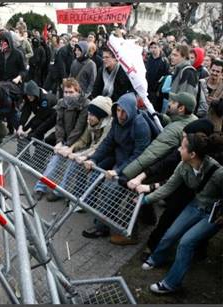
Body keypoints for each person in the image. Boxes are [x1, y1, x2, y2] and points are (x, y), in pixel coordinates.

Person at [140, 133, 223, 294]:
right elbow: (168, 187)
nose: (179, 149)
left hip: (213, 214)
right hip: (195, 205)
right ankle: (157, 258)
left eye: (182, 147)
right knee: (171, 233)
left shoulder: (218, 172)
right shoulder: (183, 165)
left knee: (186, 243)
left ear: (192, 154)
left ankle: (172, 283)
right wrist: (146, 200)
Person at [82, 92, 151, 240]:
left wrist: (118, 171)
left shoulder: (140, 126)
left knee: (110, 189)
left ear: (131, 110)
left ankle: (101, 227)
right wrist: (94, 159)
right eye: (118, 110)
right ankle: (98, 216)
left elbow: (139, 156)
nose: (120, 115)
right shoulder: (116, 122)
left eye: (124, 111)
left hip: (134, 165)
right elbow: (108, 142)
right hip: (119, 159)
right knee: (95, 178)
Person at [45, 96, 113, 202]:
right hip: (93, 151)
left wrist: (82, 155)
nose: (89, 117)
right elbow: (83, 140)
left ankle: (82, 199)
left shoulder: (109, 127)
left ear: (101, 117)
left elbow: (99, 146)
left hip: (105, 154)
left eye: (92, 115)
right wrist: (71, 149)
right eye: (89, 113)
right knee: (73, 162)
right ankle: (67, 192)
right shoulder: (92, 122)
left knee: (80, 164)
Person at [34, 78, 89, 200]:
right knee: (53, 164)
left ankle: (59, 192)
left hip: (79, 142)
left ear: (77, 91)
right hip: (64, 140)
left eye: (71, 92)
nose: (68, 95)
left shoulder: (85, 104)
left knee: (70, 169)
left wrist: (68, 145)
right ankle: (40, 187)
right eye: (66, 92)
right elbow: (59, 124)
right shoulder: (61, 103)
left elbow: (79, 127)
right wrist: (59, 141)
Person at [145, 41, 170, 111]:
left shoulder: (164, 61)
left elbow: (166, 76)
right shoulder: (148, 59)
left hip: (157, 91)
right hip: (148, 88)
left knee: (155, 109)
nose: (153, 49)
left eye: (155, 47)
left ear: (159, 48)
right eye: (151, 47)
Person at [205, 60, 223, 131]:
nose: (214, 73)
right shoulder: (201, 83)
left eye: (218, 71)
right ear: (209, 69)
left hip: (215, 127)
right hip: (198, 121)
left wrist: (217, 103)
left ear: (222, 73)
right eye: (213, 70)